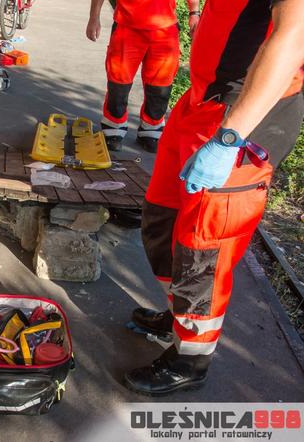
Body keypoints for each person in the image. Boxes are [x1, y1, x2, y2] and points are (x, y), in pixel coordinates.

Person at [126, 0, 304, 395]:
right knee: (163, 219)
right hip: (202, 101)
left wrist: (229, 137)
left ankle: (191, 357)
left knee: (203, 247)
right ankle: (182, 316)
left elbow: (293, 38)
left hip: (244, 120)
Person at [86, 0, 200, 153]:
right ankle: (114, 126)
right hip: (127, 27)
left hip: (165, 30)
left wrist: (194, 13)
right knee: (118, 82)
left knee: (161, 86)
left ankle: (151, 130)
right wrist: (94, 18)